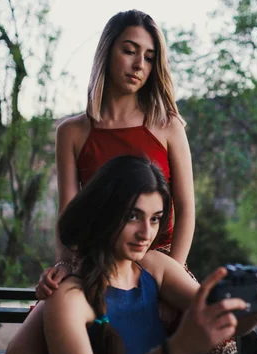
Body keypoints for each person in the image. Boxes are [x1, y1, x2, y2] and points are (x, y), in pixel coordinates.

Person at [2, 156, 257, 354]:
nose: (146, 233)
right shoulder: (70, 299)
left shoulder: (155, 267)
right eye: (133, 217)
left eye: (155, 219)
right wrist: (173, 352)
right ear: (104, 213)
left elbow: (219, 318)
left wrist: (255, 309)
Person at [37, 9, 195, 298]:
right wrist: (63, 264)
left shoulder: (168, 127)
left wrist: (171, 275)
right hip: (97, 266)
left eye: (149, 57)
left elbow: (185, 210)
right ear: (107, 53)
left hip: (159, 262)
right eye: (129, 51)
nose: (139, 65)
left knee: (214, 334)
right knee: (48, 323)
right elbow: (67, 215)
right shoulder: (71, 132)